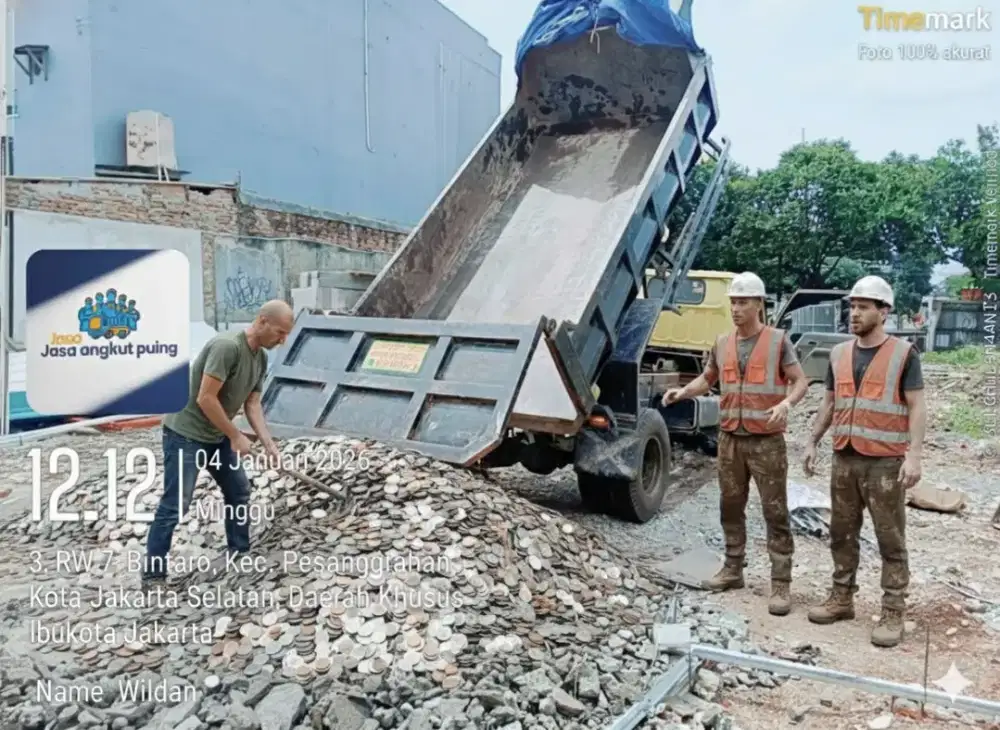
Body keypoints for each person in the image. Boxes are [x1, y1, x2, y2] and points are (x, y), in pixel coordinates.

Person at [662, 272, 809, 615]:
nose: (736, 308)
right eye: (733, 302)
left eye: (743, 302)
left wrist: (786, 403)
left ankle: (781, 583)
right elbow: (707, 379)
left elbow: (800, 381)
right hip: (730, 439)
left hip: (766, 441)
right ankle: (732, 569)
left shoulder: (777, 342)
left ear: (759, 304)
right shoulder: (722, 343)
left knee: (774, 510)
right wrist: (683, 392)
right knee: (730, 506)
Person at [803, 275, 926, 648]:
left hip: (885, 462)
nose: (854, 313)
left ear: (883, 312)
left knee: (890, 538)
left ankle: (893, 610)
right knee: (841, 533)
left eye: (863, 307)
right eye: (852, 306)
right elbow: (829, 403)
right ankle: (842, 598)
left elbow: (917, 406)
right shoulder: (839, 354)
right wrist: (812, 440)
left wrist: (914, 456)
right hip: (844, 457)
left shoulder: (904, 354)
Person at [142, 299, 295, 588]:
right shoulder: (227, 347)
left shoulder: (260, 358)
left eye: (286, 334)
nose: (283, 340)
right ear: (262, 321)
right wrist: (235, 435)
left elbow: (252, 404)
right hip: (185, 434)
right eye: (280, 332)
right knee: (175, 504)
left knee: (238, 490)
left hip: (216, 435)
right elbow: (205, 398)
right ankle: (153, 576)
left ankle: (239, 552)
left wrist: (269, 444)